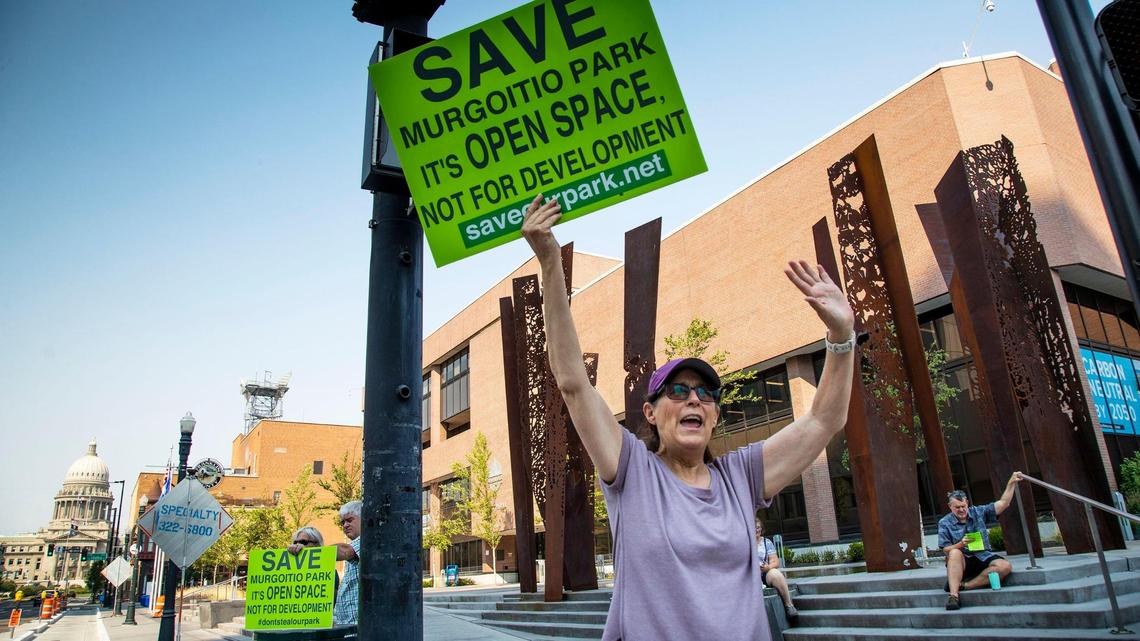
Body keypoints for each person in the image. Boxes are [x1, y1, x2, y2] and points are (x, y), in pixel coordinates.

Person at [520, 195, 855, 641]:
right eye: (678, 391)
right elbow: (573, 382)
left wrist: (842, 337)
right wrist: (550, 265)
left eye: (705, 394)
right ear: (650, 413)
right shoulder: (633, 471)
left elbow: (822, 421)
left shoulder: (741, 477)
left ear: (715, 415)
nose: (694, 400)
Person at [938, 472, 1023, 611]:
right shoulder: (944, 522)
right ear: (950, 507)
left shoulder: (979, 512)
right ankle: (953, 596)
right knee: (953, 552)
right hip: (962, 560)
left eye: (963, 506)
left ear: (967, 503)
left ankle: (964, 586)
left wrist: (1011, 483)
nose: (961, 510)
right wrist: (960, 544)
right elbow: (945, 549)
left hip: (983, 555)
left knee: (1004, 566)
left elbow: (1004, 503)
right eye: (957, 507)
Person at [756, 521, 798, 620]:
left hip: (764, 573)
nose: (756, 529)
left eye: (758, 527)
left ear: (761, 529)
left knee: (775, 573)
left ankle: (789, 605)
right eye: (753, 527)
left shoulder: (767, 542)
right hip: (750, 575)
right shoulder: (745, 542)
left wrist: (768, 567)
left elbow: (775, 561)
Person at [331, 501, 361, 626]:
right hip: (347, 624)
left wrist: (310, 554)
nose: (345, 525)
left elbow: (345, 551)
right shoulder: (354, 543)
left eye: (349, 520)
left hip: (358, 625)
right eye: (342, 522)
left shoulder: (368, 539)